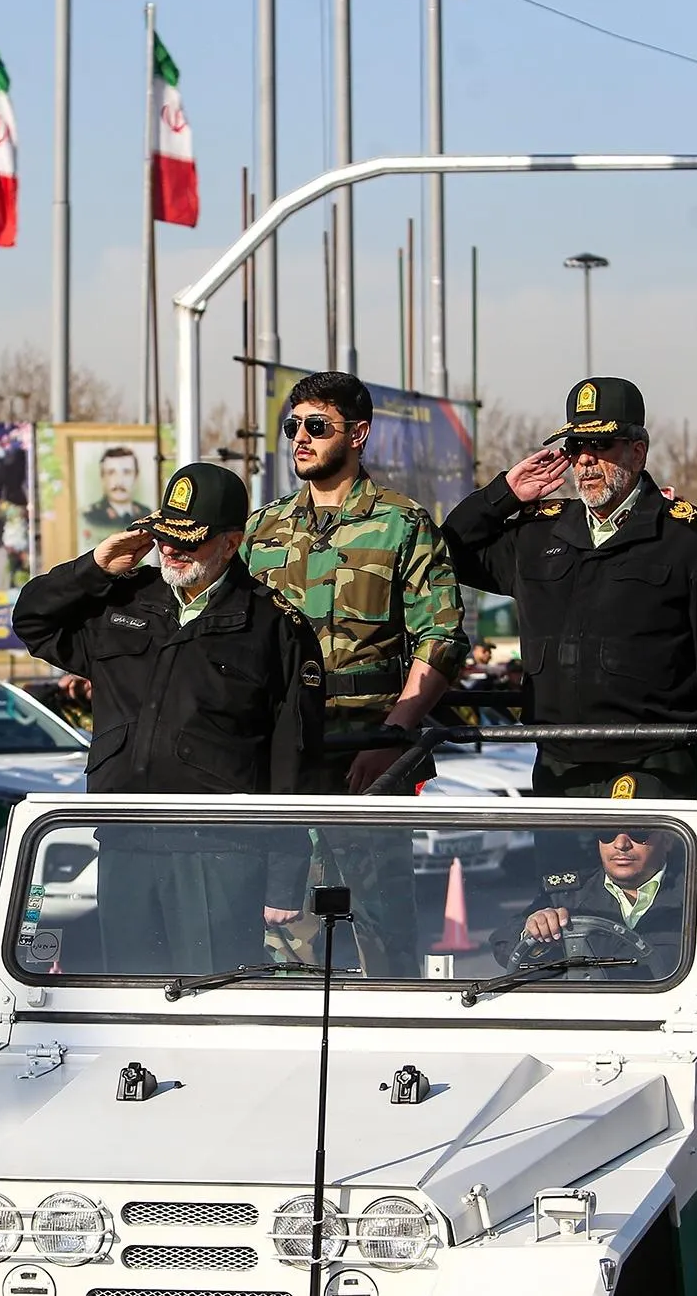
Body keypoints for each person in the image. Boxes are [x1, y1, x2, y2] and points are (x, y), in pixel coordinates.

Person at [13, 462, 324, 972]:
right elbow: (32, 620)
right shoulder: (123, 599)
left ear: (231, 543)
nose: (171, 550)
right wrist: (96, 567)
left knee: (213, 996)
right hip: (125, 836)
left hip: (220, 851)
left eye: (188, 541)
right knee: (129, 994)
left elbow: (293, 758)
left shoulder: (273, 626)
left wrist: (284, 876)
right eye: (164, 536)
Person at [243, 370, 469, 976]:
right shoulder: (263, 529)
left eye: (317, 426)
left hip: (365, 761)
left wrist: (391, 737)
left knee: (382, 935)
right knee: (283, 940)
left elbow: (442, 639)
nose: (300, 438)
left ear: (358, 434)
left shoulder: (402, 523)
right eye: (292, 426)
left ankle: (394, 1037)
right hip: (283, 764)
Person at [440, 376, 697, 802]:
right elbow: (450, 551)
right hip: (558, 760)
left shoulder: (687, 538)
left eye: (601, 445)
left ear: (637, 452)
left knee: (633, 851)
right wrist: (505, 494)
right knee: (560, 851)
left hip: (650, 758)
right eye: (575, 447)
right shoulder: (539, 533)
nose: (585, 461)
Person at [489, 822, 697, 1051]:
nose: (620, 844)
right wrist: (535, 928)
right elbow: (505, 943)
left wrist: (672, 1013)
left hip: (677, 1041)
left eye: (638, 832)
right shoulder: (568, 892)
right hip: (577, 1040)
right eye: (608, 832)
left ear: (667, 839)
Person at [81, 447, 153, 533]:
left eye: (126, 472)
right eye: (111, 473)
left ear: (136, 477)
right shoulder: (90, 517)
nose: (119, 482)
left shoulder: (147, 514)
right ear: (102, 477)